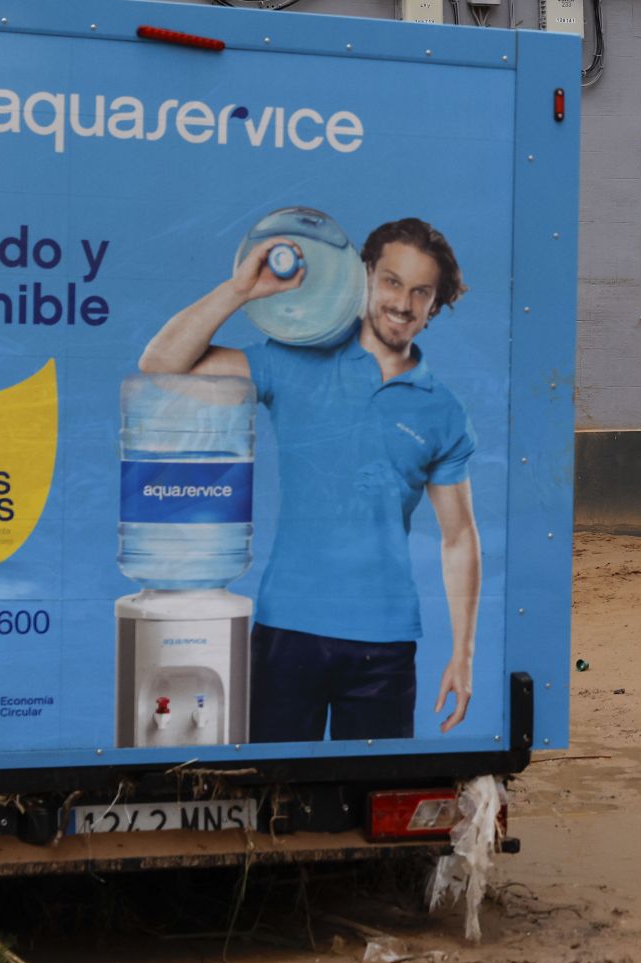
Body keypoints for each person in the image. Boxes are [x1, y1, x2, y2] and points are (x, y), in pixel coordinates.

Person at [139, 217, 481, 741]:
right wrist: (239, 290)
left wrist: (462, 655)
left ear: (435, 304)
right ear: (364, 275)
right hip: (287, 632)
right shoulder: (293, 360)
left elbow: (459, 539)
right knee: (273, 800)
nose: (403, 303)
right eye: (391, 281)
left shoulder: (445, 412)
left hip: (385, 645)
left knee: (369, 801)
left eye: (421, 292)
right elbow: (161, 364)